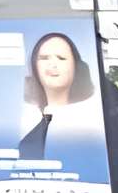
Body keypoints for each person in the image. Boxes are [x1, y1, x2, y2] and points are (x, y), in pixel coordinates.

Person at [16, 31, 107, 171]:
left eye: (61, 58)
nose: (52, 64)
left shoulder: (94, 122)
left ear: (76, 66)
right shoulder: (25, 124)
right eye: (44, 58)